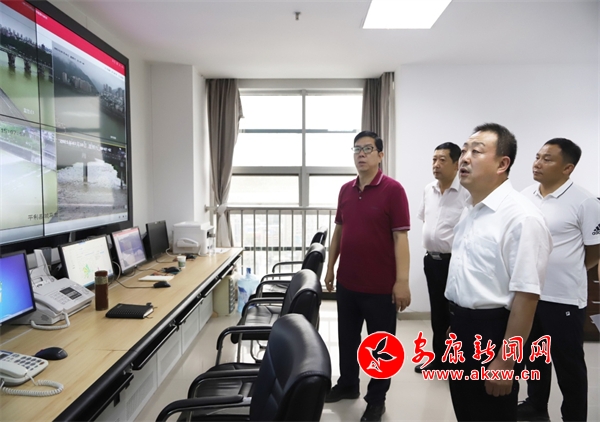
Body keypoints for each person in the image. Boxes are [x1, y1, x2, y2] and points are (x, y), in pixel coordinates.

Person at [444, 123, 552, 421]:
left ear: (503, 164)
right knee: (466, 410)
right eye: (464, 150)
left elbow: (526, 297)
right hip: (461, 328)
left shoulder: (522, 218)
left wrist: (506, 361)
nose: (464, 158)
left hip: (494, 332)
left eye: (476, 151)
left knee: (491, 413)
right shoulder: (470, 209)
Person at [324, 131, 411, 422]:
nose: (361, 154)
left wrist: (402, 281)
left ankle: (376, 400)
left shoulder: (393, 190)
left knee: (380, 346)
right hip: (348, 282)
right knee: (347, 339)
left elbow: (400, 238)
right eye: (357, 149)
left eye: (368, 149)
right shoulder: (346, 190)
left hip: (380, 287)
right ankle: (348, 384)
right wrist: (330, 267)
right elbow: (339, 230)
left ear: (380, 155)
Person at [517, 138, 600, 422]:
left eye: (547, 159)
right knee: (535, 355)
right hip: (530, 294)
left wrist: (569, 268)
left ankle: (574, 416)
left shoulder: (585, 202)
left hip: (564, 297)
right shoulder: (525, 195)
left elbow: (594, 251)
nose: (537, 163)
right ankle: (536, 405)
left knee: (568, 363)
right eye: (537, 156)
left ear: (567, 168)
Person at [415, 142, 470, 373]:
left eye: (442, 160)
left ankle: (456, 362)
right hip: (432, 261)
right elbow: (425, 219)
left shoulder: (467, 192)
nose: (436, 165)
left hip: (455, 263)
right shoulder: (429, 189)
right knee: (437, 312)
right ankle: (439, 359)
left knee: (455, 313)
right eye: (434, 160)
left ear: (457, 164)